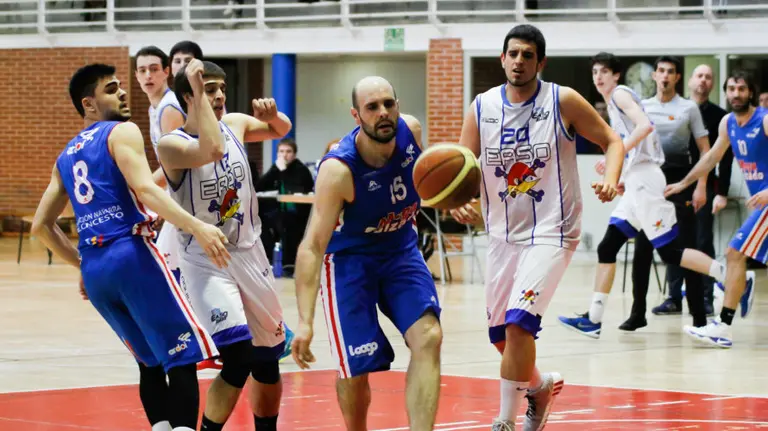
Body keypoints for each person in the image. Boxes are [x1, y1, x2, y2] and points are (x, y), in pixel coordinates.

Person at [31, 63, 229, 431]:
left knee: (149, 361)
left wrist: (82, 264)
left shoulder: (66, 155)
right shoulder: (121, 131)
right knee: (182, 356)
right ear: (89, 104)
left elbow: (40, 227)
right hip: (132, 254)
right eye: (112, 89)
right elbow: (147, 189)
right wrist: (196, 225)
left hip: (96, 269)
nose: (123, 93)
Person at [450, 26, 626, 431]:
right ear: (502, 59)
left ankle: (504, 421)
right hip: (501, 235)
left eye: (527, 55)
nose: (518, 61)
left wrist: (612, 178)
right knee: (501, 336)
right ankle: (540, 388)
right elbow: (464, 169)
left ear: (540, 62)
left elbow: (612, 141)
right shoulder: (481, 107)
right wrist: (463, 202)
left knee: (518, 324)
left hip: (553, 230)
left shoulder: (561, 99)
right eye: (512, 53)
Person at [291, 76, 443, 431]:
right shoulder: (338, 170)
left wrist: (450, 200)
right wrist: (305, 321)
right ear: (356, 115)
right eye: (372, 107)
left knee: (429, 337)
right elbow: (311, 246)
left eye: (388, 104)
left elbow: (424, 187)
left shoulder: (412, 133)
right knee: (356, 368)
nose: (383, 113)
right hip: (348, 262)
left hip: (400, 251)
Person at [557, 53, 736, 338]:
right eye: (595, 72)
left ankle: (729, 276)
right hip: (638, 178)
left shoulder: (619, 94)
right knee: (607, 246)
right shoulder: (617, 103)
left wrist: (619, 153)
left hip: (648, 179)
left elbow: (645, 126)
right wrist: (619, 172)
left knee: (670, 252)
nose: (599, 76)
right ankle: (594, 318)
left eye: (604, 71)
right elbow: (635, 141)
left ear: (616, 75)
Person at [157, 59, 292, 431]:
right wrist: (199, 97)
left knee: (267, 360)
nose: (218, 96)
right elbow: (212, 150)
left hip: (251, 253)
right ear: (188, 96)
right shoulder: (171, 145)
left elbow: (281, 129)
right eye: (208, 89)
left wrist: (275, 116)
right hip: (206, 261)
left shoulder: (233, 123)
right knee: (238, 356)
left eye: (220, 89)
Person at [665, 70, 762, 348]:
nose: (736, 94)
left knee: (733, 254)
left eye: (741, 89)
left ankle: (724, 325)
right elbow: (711, 159)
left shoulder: (764, 120)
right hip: (761, 206)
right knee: (735, 255)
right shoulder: (727, 123)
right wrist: (685, 182)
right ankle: (726, 323)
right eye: (731, 89)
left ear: (750, 93)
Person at [135, 45, 187, 283]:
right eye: (142, 70)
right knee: (171, 270)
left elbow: (175, 165)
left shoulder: (169, 108)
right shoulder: (153, 108)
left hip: (188, 195)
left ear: (167, 71)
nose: (148, 75)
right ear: (136, 75)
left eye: (154, 69)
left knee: (169, 272)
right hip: (176, 191)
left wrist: (140, 188)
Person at [255, 138, 315, 276]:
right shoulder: (277, 168)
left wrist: (282, 171)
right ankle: (268, 261)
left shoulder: (301, 170)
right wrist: (276, 169)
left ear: (294, 154)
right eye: (281, 151)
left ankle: (289, 265)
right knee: (261, 224)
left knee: (287, 224)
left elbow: (295, 189)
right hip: (279, 211)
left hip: (298, 212)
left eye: (288, 152)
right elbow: (260, 185)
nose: (284, 155)